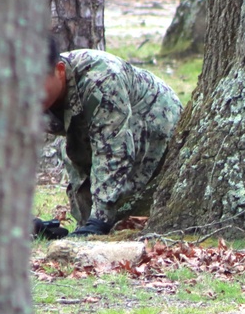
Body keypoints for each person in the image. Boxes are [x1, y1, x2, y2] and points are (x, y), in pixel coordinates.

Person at [42, 39, 183, 236]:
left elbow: (114, 151)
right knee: (74, 156)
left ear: (59, 71)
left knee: (122, 215)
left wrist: (98, 221)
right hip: (96, 124)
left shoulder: (101, 81)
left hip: (153, 120)